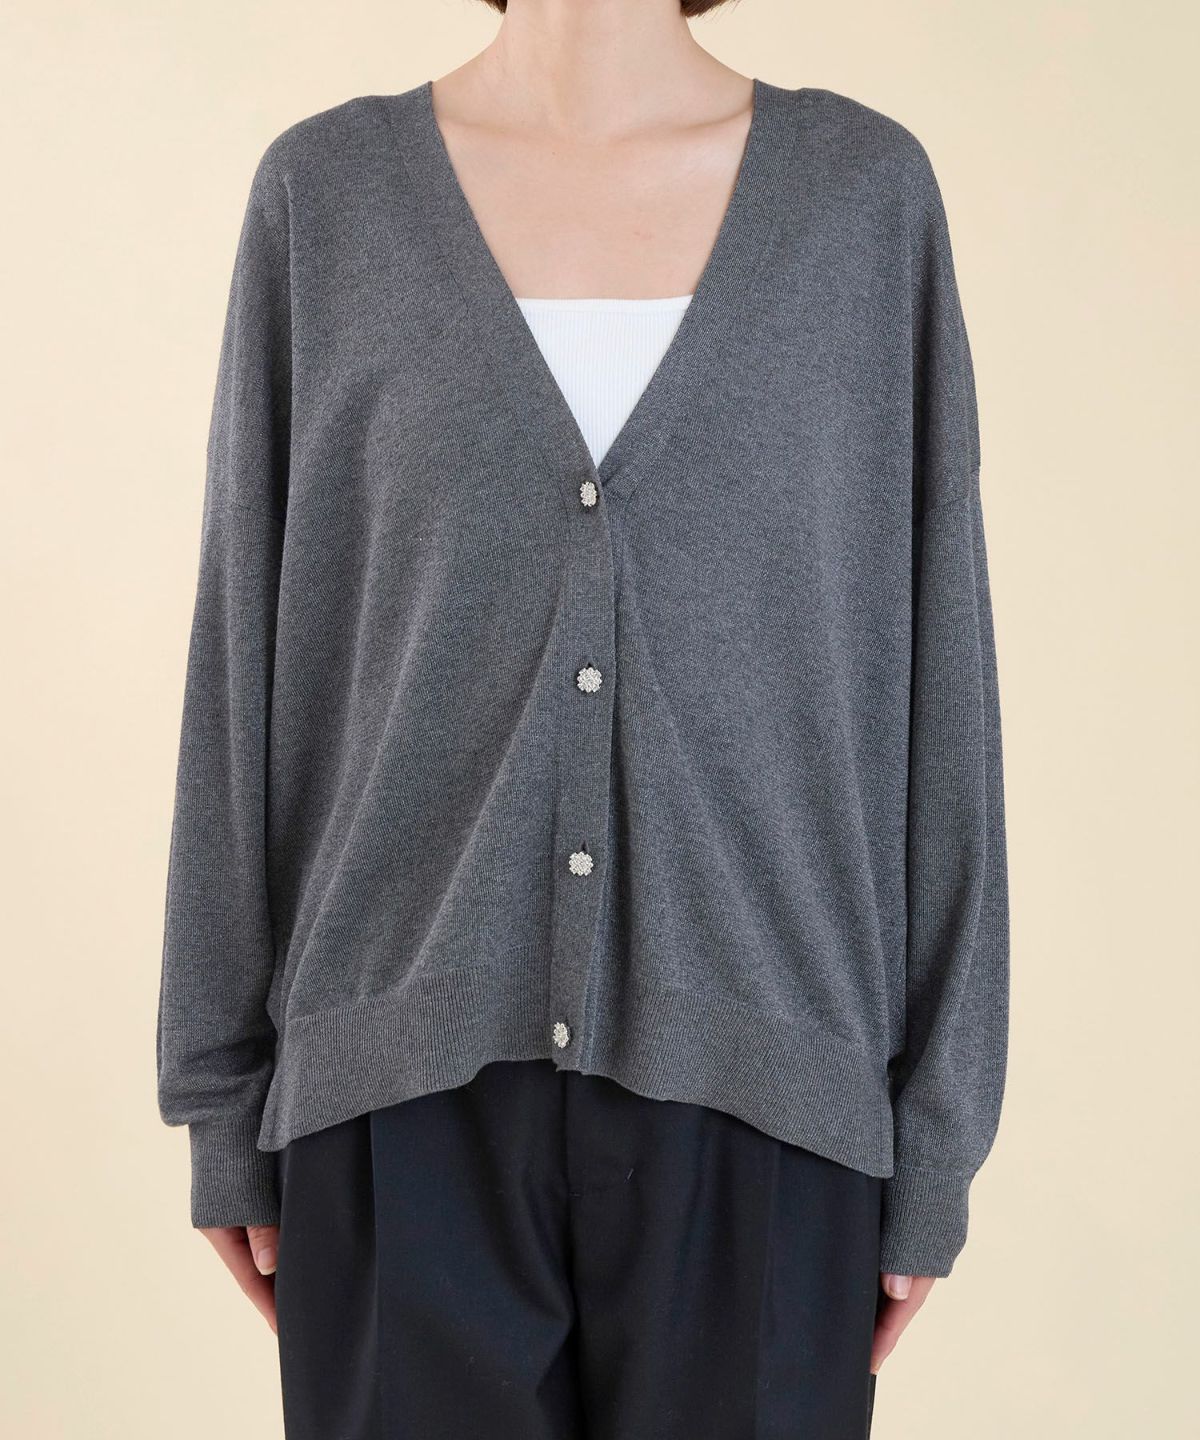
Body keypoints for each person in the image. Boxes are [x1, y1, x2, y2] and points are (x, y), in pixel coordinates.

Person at [156, 1, 1010, 1434]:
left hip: (772, 1104)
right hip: (395, 1102)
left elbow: (943, 681)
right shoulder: (327, 200)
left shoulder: (863, 204)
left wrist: (938, 1131)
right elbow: (242, 656)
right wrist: (219, 1096)